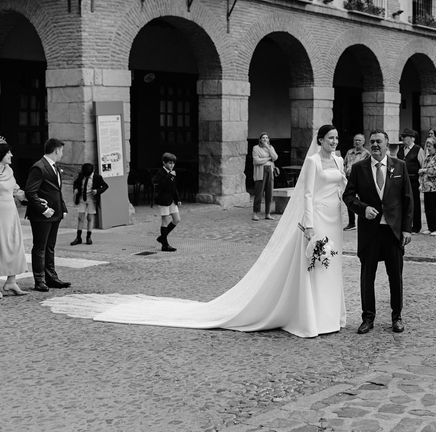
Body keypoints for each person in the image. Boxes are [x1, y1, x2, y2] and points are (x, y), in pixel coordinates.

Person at [43, 125, 347, 338]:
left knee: (329, 265)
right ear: (320, 139)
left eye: (336, 138)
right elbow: (306, 193)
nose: (334, 142)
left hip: (332, 216)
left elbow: (340, 185)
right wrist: (307, 222)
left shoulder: (338, 159)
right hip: (315, 218)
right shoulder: (311, 161)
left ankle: (329, 314)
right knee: (311, 264)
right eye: (329, 138)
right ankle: (310, 316)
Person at [343, 129, 413, 334]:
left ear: (387, 144)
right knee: (367, 275)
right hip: (370, 231)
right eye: (372, 141)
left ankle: (397, 317)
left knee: (395, 276)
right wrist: (363, 209)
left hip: (393, 231)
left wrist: (407, 230)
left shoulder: (400, 166)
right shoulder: (359, 168)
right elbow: (348, 197)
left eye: (379, 142)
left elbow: (408, 199)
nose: (375, 145)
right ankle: (367, 317)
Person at [25, 138, 70, 292]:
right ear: (56, 150)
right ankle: (39, 280)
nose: (62, 154)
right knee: (40, 247)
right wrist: (43, 210)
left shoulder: (55, 167)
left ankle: (51, 278)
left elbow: (56, 190)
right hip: (41, 215)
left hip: (55, 213)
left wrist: (62, 208)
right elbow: (31, 192)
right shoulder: (39, 167)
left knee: (50, 247)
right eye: (62, 151)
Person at [0, 138, 29, 297]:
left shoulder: (9, 171)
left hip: (11, 212)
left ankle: (11, 282)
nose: (11, 154)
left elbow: (16, 189)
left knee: (14, 244)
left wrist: (30, 197)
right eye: (8, 152)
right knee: (0, 246)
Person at [70, 163, 109, 246]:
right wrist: (76, 189)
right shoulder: (81, 175)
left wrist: (97, 191)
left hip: (92, 200)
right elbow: (76, 183)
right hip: (82, 199)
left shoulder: (97, 177)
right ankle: (78, 237)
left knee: (90, 218)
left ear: (93, 171)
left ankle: (88, 237)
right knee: (80, 218)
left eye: (88, 175)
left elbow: (105, 186)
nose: (86, 176)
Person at [397, 128, 425, 234]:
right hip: (402, 179)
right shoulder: (401, 149)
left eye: (405, 136)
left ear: (411, 138)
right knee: (403, 202)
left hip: (413, 180)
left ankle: (416, 226)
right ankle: (405, 224)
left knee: (415, 203)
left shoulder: (418, 149)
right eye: (402, 136)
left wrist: (421, 182)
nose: (402, 138)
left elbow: (423, 165)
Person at [154, 153, 181, 252]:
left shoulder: (172, 173)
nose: (172, 165)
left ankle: (162, 237)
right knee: (164, 221)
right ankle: (164, 245)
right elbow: (160, 185)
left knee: (177, 219)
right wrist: (170, 176)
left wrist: (177, 199)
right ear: (164, 163)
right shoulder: (160, 172)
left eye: (173, 163)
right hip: (163, 200)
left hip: (171, 200)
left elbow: (174, 187)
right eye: (170, 163)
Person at [419, 137, 436, 236]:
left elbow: (435, 171)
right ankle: (430, 227)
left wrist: (424, 171)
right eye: (427, 145)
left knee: (435, 207)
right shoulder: (428, 157)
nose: (428, 148)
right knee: (428, 207)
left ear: (435, 146)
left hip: (435, 186)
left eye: (430, 146)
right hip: (427, 187)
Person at [343, 133, 370, 231]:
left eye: (359, 140)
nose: (357, 142)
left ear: (363, 142)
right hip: (349, 179)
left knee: (361, 201)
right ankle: (351, 223)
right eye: (355, 140)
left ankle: (364, 221)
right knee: (349, 199)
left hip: (361, 180)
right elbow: (345, 163)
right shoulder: (349, 152)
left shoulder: (366, 154)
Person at [252, 133, 278, 221]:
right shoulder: (256, 148)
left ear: (269, 139)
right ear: (260, 139)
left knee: (269, 193)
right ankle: (255, 213)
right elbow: (256, 161)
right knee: (259, 193)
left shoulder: (271, 147)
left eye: (266, 138)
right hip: (260, 172)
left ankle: (268, 213)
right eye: (263, 138)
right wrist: (268, 159)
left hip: (270, 170)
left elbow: (275, 157)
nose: (265, 139)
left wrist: (268, 148)